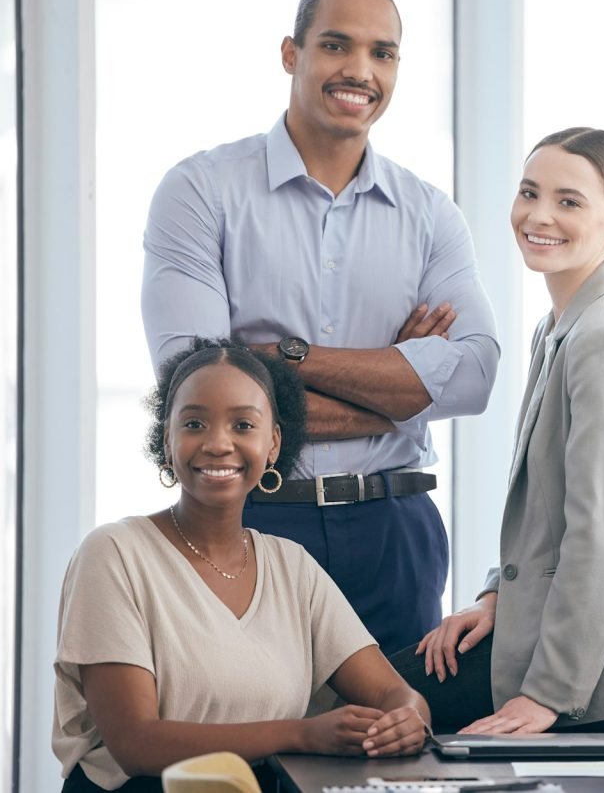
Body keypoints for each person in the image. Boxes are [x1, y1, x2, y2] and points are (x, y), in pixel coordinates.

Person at [140, 0, 499, 653]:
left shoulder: (430, 215)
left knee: (395, 744)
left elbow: (474, 377)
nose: (360, 70)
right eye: (336, 44)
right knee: (252, 742)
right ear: (290, 53)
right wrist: (402, 385)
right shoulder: (201, 191)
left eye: (382, 52)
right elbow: (196, 388)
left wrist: (281, 362)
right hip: (255, 519)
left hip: (397, 529)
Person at [391, 128, 604, 733]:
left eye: (569, 201)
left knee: (371, 716)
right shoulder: (565, 324)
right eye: (529, 192)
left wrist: (548, 694)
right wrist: (497, 596)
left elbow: (603, 534)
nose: (538, 215)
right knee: (370, 708)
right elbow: (550, 513)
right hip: (564, 634)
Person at [53, 340, 432, 793]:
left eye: (243, 424)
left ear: (272, 443)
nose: (217, 443)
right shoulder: (114, 553)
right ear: (166, 439)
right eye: (194, 423)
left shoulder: (292, 566)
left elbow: (394, 694)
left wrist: (407, 718)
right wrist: (300, 734)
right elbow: (135, 742)